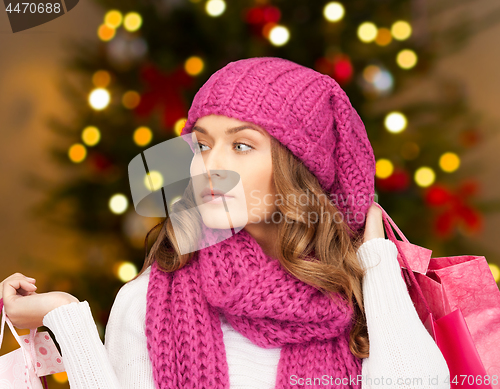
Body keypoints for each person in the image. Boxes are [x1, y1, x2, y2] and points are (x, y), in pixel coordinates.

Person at [0, 57, 451, 389]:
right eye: (201, 145)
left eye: (241, 146)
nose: (208, 167)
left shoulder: (362, 299)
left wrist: (375, 258)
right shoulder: (147, 299)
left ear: (300, 169)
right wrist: (68, 320)